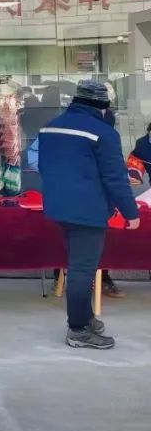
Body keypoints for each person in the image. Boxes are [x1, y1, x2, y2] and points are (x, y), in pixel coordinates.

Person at [38, 80, 141, 350]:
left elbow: (43, 166)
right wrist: (131, 212)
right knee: (82, 270)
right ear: (103, 106)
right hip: (88, 210)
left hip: (59, 208)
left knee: (77, 265)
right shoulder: (103, 133)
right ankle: (78, 329)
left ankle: (86, 317)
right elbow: (115, 178)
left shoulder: (51, 126)